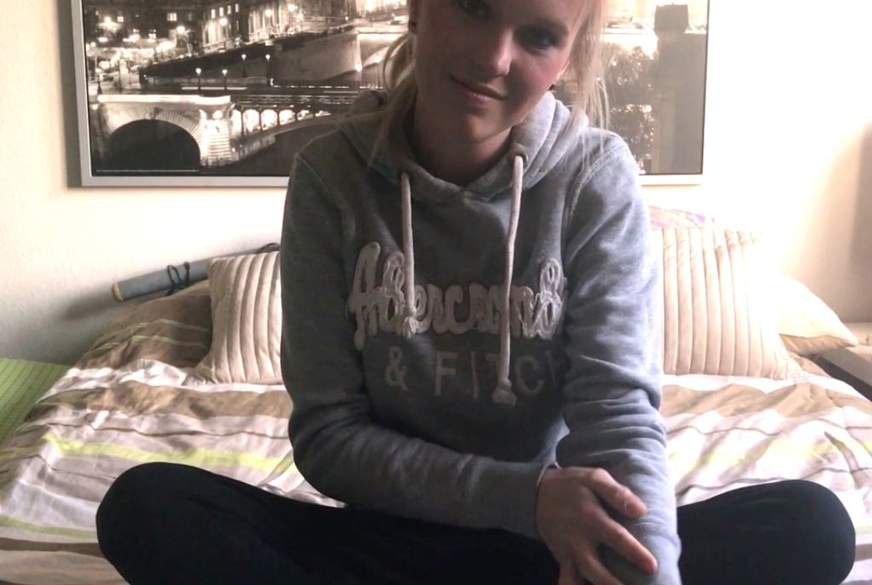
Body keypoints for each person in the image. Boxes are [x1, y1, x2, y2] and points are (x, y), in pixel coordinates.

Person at [96, 1, 856, 584]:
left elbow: (618, 416)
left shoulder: (595, 177)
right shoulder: (330, 177)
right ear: (418, 9)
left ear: (567, 57)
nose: (494, 58)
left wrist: (637, 566)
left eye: (539, 35)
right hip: (391, 534)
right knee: (149, 505)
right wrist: (526, 496)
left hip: (553, 542)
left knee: (810, 523)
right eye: (473, 6)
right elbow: (328, 437)